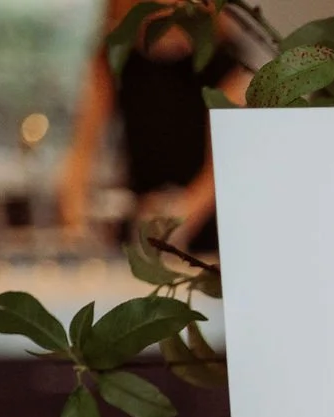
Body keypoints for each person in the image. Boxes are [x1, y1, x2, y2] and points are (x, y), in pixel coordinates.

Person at [58, 0, 253, 250]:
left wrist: (180, 217)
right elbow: (82, 149)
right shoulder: (115, 55)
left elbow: (222, 166)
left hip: (211, 230)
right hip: (141, 226)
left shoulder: (226, 60)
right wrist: (74, 222)